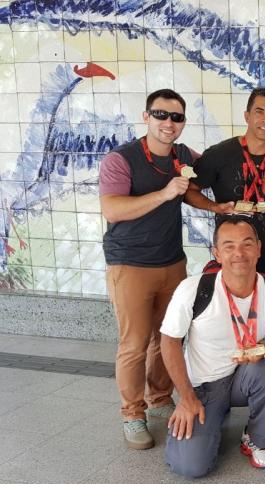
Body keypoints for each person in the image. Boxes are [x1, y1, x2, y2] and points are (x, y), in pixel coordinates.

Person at [99, 88, 196, 450]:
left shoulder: (183, 155)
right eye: (161, 115)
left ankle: (159, 398)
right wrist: (165, 194)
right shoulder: (120, 159)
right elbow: (113, 209)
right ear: (146, 117)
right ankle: (132, 414)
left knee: (167, 337)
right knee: (134, 344)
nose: (168, 123)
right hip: (130, 265)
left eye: (176, 117)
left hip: (172, 262)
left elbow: (216, 165)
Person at [160, 216, 265, 477]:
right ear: (217, 253)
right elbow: (169, 341)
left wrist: (264, 348)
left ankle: (258, 437)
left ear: (259, 249)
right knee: (190, 466)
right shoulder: (194, 289)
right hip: (205, 385)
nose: (239, 253)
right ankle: (211, 419)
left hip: (247, 377)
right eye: (229, 246)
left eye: (247, 244)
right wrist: (186, 398)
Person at [187, 88, 265, 282]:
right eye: (259, 112)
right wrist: (215, 207)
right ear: (247, 116)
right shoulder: (219, 154)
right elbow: (189, 191)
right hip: (232, 257)